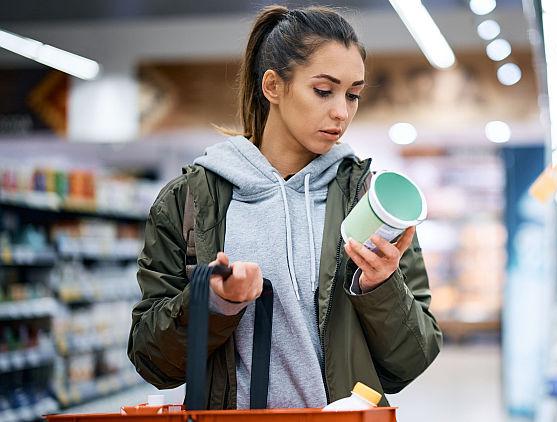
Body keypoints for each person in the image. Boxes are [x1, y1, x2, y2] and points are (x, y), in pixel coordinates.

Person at [127, 4, 442, 410]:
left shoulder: (370, 201)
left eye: (354, 95)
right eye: (324, 91)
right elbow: (153, 362)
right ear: (273, 86)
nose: (341, 112)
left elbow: (411, 362)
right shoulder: (189, 202)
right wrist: (216, 303)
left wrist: (380, 288)